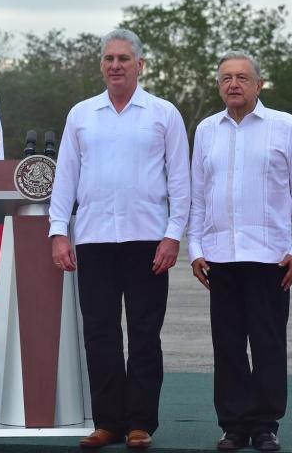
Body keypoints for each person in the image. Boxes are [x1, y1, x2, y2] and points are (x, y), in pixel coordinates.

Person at [48, 29, 191, 449]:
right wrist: (59, 232)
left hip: (148, 239)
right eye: (109, 58)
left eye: (124, 59)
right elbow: (65, 179)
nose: (115, 65)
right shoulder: (81, 114)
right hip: (93, 239)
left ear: (140, 65)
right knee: (100, 332)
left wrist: (173, 236)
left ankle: (140, 423)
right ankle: (108, 421)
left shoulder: (163, 114)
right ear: (101, 65)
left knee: (145, 333)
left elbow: (179, 182)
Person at [187, 52, 292, 451]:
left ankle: (265, 424)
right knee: (227, 345)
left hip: (271, 258)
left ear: (259, 85)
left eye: (242, 77)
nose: (234, 84)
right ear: (218, 85)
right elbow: (197, 197)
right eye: (226, 78)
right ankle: (233, 425)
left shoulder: (285, 127)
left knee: (268, 342)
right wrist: (194, 248)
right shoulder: (207, 130)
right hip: (221, 256)